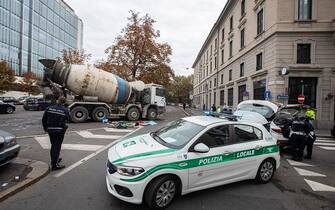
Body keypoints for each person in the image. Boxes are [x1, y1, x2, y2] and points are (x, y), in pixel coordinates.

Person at [42, 96, 70, 170]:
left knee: (53, 145)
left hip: (50, 130)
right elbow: (68, 119)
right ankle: (54, 165)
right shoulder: (64, 110)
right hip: (59, 131)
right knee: (56, 147)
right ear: (64, 102)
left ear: (58, 101)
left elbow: (43, 119)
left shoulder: (49, 108)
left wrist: (45, 128)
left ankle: (54, 160)